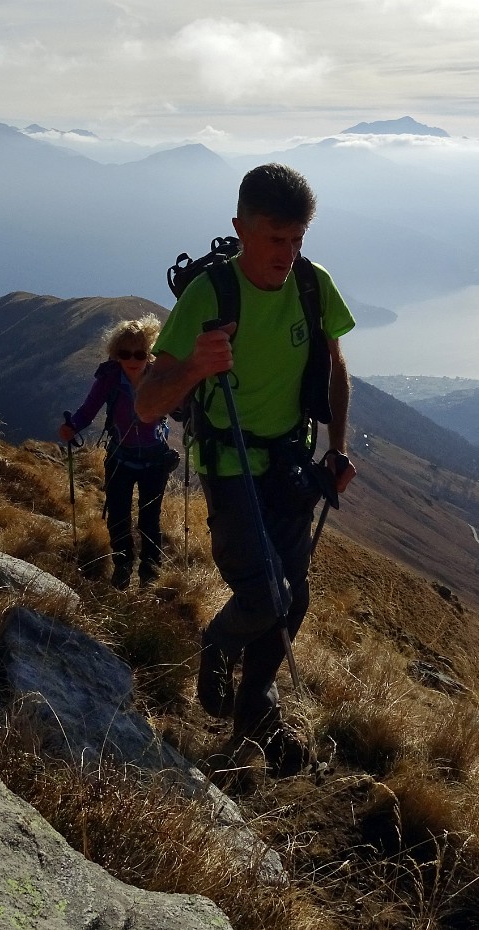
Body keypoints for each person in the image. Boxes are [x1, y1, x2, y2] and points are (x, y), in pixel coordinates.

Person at [136, 163, 357, 772]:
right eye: (273, 239)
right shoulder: (211, 296)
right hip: (228, 458)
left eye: (297, 240)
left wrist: (335, 448)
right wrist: (192, 367)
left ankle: (257, 712)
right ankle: (218, 644)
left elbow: (336, 369)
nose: (286, 254)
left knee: (294, 598)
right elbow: (148, 402)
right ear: (240, 228)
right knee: (264, 597)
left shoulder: (313, 286)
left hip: (291, 458)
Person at [60, 314, 177, 589]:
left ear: (149, 353)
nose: (133, 360)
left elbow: (179, 404)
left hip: (153, 459)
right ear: (116, 354)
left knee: (150, 518)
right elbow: (89, 408)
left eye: (140, 353)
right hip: (121, 456)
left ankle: (149, 573)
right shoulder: (109, 377)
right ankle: (123, 565)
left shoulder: (157, 374)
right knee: (118, 515)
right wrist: (73, 426)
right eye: (126, 353)